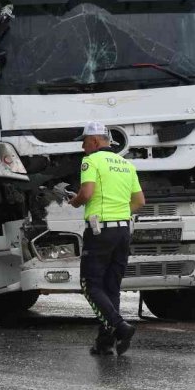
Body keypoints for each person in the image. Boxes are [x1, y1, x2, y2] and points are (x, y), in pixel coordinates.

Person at [69, 121, 145, 356]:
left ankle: (120, 327)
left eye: (84, 142)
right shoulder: (126, 164)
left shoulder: (90, 161)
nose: (83, 147)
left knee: (90, 285)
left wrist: (75, 201)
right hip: (123, 231)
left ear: (94, 141)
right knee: (111, 286)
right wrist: (120, 214)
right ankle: (105, 343)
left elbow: (87, 193)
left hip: (100, 231)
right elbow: (140, 201)